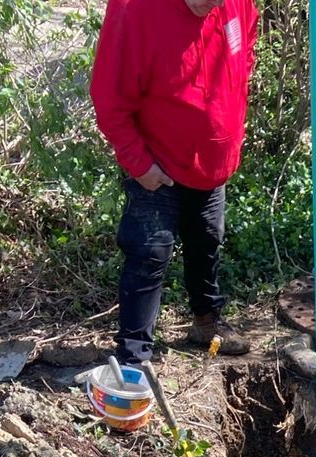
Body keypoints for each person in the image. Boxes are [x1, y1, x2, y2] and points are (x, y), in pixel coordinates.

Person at [90, 0, 258, 365]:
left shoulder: (236, 4)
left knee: (207, 239)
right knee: (149, 252)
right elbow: (108, 97)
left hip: (211, 163)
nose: (210, 5)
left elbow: (244, 50)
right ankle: (134, 358)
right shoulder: (136, 11)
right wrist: (139, 164)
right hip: (158, 163)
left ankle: (206, 325)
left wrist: (231, 127)